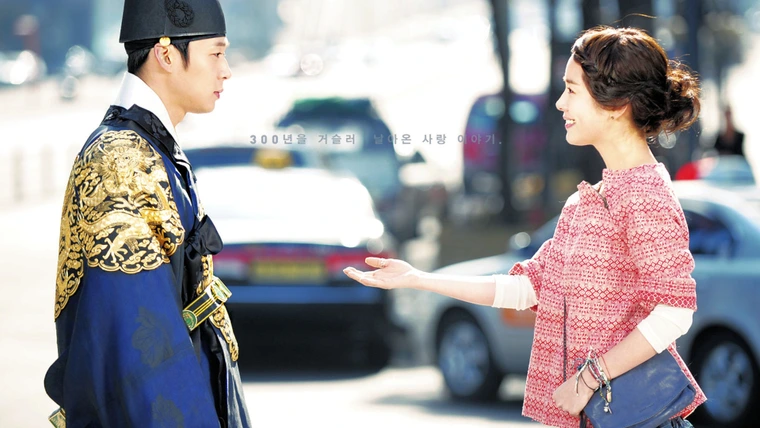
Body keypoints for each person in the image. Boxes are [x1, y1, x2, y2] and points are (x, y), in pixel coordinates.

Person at [344, 26, 705, 428]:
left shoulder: (644, 194)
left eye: (571, 89)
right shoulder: (588, 201)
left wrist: (590, 378)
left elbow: (674, 312)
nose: (560, 102)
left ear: (616, 104)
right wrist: (418, 279)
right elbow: (526, 288)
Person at [44, 0, 252, 426]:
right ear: (166, 54)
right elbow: (142, 353)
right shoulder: (119, 162)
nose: (226, 70)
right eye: (215, 53)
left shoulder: (149, 145)